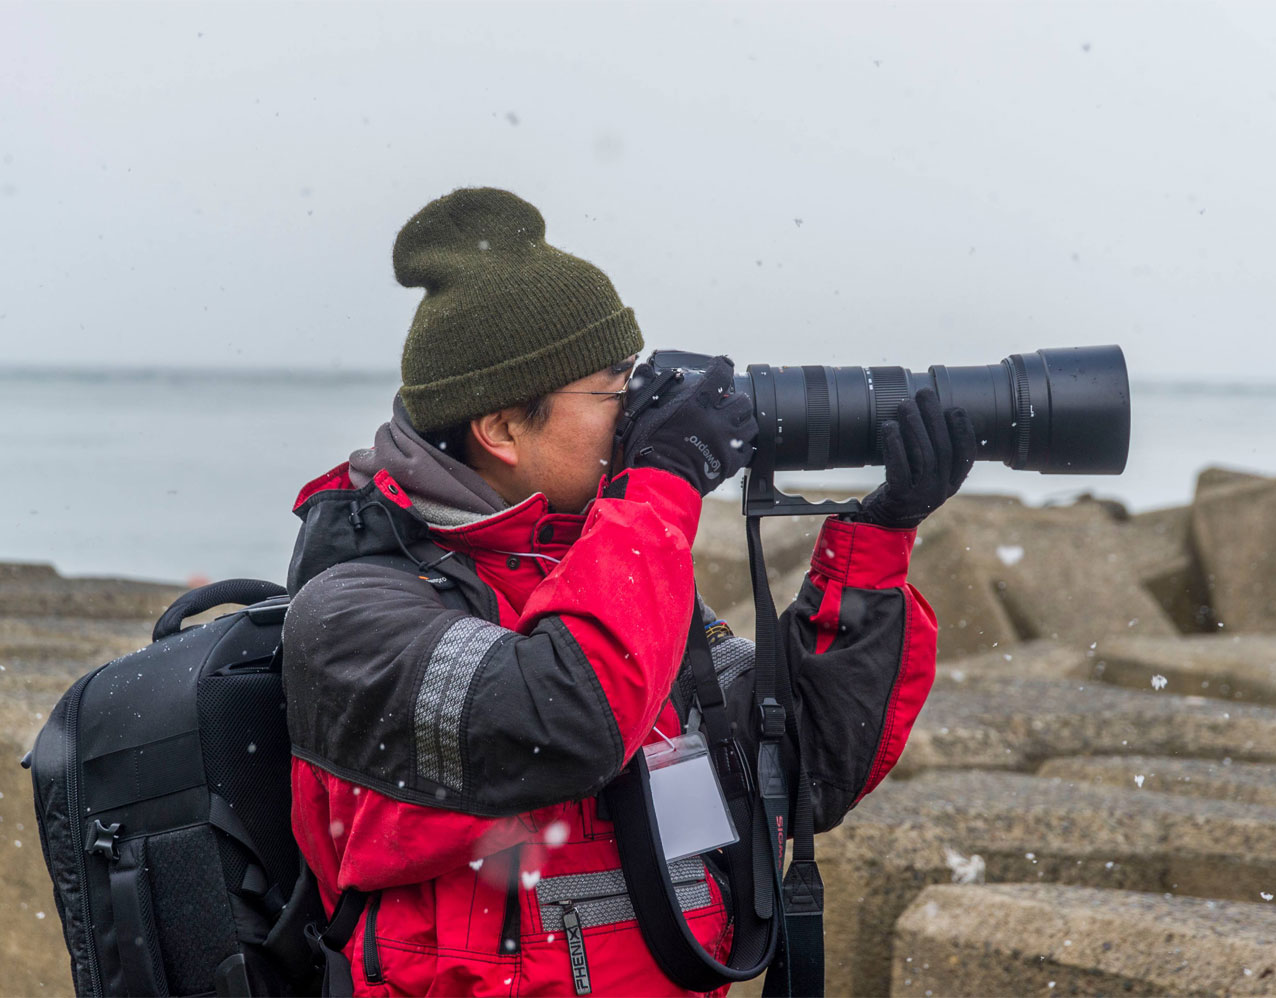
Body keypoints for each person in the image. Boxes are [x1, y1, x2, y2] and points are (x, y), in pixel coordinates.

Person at [282, 187, 975, 996]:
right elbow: (564, 718)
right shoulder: (353, 614)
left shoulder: (611, 579)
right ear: (503, 428)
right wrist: (662, 481)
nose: (637, 416)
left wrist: (877, 538)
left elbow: (800, 771)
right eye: (614, 391)